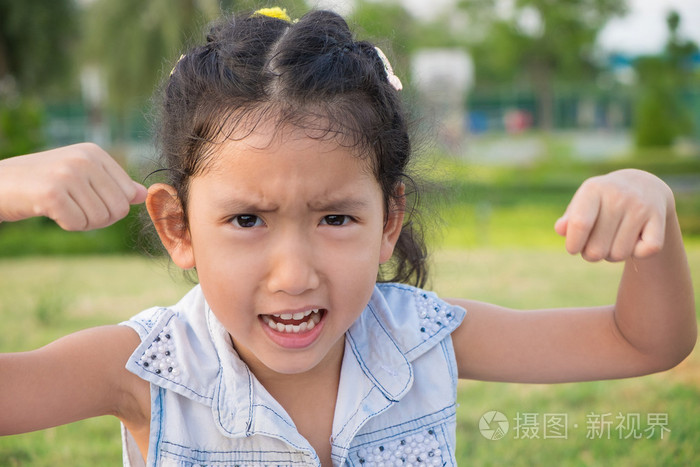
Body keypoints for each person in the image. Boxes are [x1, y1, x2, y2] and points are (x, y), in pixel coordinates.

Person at [0, 7, 695, 467]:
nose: (294, 273)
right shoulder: (148, 369)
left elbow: (644, 342)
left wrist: (652, 207)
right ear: (178, 227)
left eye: (336, 218)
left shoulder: (422, 338)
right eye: (247, 220)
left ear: (388, 221)